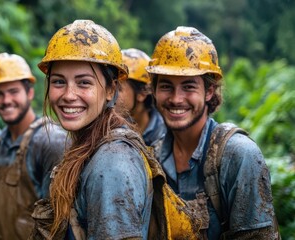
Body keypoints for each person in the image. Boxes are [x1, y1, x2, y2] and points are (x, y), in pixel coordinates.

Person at [146, 26, 280, 239]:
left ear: (209, 91)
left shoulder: (238, 155)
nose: (176, 99)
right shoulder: (152, 159)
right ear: (153, 91)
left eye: (188, 87)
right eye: (166, 86)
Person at [31, 19, 153, 239]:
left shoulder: (112, 163)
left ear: (110, 89)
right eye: (59, 82)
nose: (68, 95)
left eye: (84, 83)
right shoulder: (87, 148)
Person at [0, 53, 67, 240]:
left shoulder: (50, 141)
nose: (6, 100)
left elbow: (57, 222)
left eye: (13, 91)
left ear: (30, 93)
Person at [117, 48, 166, 152]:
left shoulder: (165, 135)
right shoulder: (107, 127)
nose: (110, 95)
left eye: (119, 89)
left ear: (142, 93)